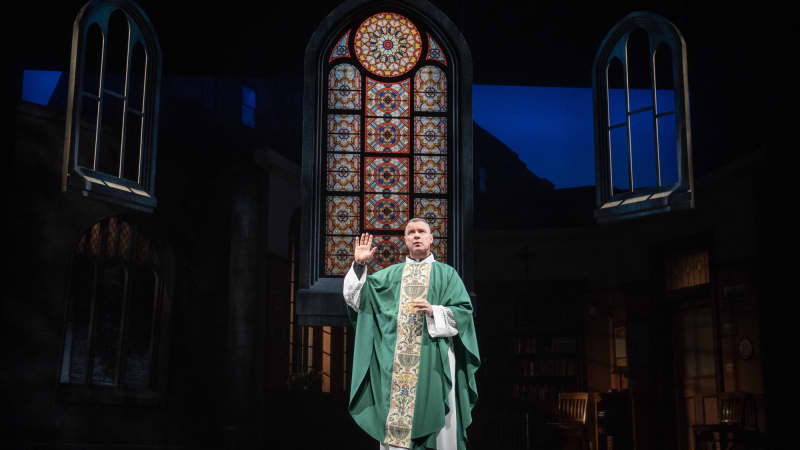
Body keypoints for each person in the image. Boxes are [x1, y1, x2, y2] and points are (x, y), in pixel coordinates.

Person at [342, 218, 480, 450]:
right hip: (395, 371)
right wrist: (359, 266)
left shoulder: (447, 275)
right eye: (411, 232)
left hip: (435, 363)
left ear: (430, 239)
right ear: (405, 240)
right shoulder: (388, 276)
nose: (416, 235)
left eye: (421, 231)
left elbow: (464, 314)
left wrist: (435, 311)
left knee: (442, 432)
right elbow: (357, 300)